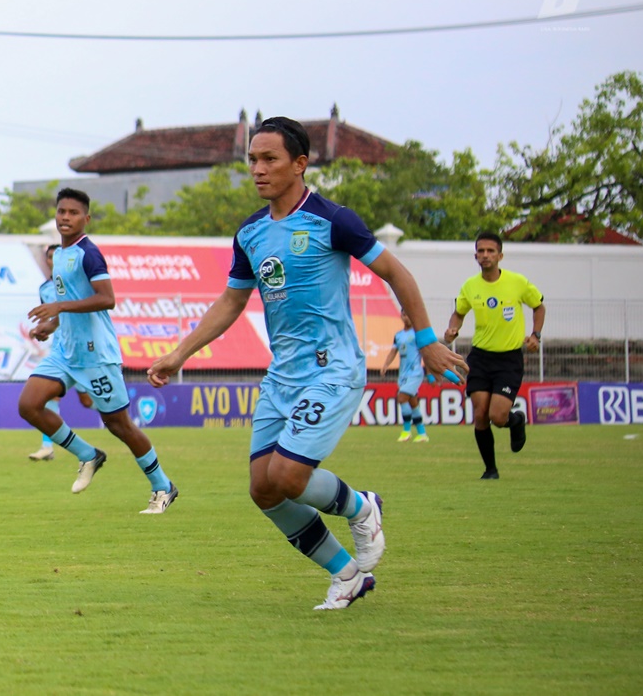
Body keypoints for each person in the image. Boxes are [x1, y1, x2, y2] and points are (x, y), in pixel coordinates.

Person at [147, 117, 465, 610]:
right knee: (263, 490)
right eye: (253, 159)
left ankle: (363, 507)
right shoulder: (250, 233)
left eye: (269, 159)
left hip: (333, 369)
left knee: (290, 476)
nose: (258, 168)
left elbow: (395, 272)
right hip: (282, 377)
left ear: (300, 163)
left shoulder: (333, 220)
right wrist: (179, 353)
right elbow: (231, 303)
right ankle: (347, 575)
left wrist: (425, 340)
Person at [19, 187, 179, 513]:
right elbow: (69, 309)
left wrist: (59, 306)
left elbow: (107, 298)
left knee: (119, 425)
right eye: (61, 211)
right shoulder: (60, 255)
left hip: (96, 355)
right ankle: (88, 454)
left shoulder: (88, 253)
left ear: (86, 218)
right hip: (66, 352)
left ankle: (163, 487)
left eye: (73, 213)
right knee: (29, 405)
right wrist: (49, 326)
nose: (66, 217)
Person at [443, 232, 545, 480]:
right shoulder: (470, 286)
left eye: (490, 251)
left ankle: (516, 421)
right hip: (480, 357)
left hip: (509, 359)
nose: (485, 255)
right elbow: (458, 313)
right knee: (480, 414)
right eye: (481, 251)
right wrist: (452, 329)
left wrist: (536, 335)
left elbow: (539, 306)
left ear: (500, 255)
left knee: (497, 417)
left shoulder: (517, 282)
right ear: (475, 255)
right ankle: (490, 470)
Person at [28, 243, 93, 460]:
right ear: (47, 261)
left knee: (90, 402)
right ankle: (47, 447)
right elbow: (50, 320)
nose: (53, 260)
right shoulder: (44, 289)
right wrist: (41, 330)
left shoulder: (76, 285)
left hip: (84, 349)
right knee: (48, 398)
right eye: (50, 257)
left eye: (58, 256)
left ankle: (123, 422)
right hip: (61, 351)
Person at [380, 310, 429, 443]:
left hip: (415, 372)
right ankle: (422, 433)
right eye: (404, 315)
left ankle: (406, 431)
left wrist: (429, 374)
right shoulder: (398, 335)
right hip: (403, 374)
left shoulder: (417, 335)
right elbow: (393, 352)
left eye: (408, 314)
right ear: (401, 316)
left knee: (402, 398)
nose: (406, 317)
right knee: (413, 403)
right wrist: (385, 364)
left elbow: (426, 354)